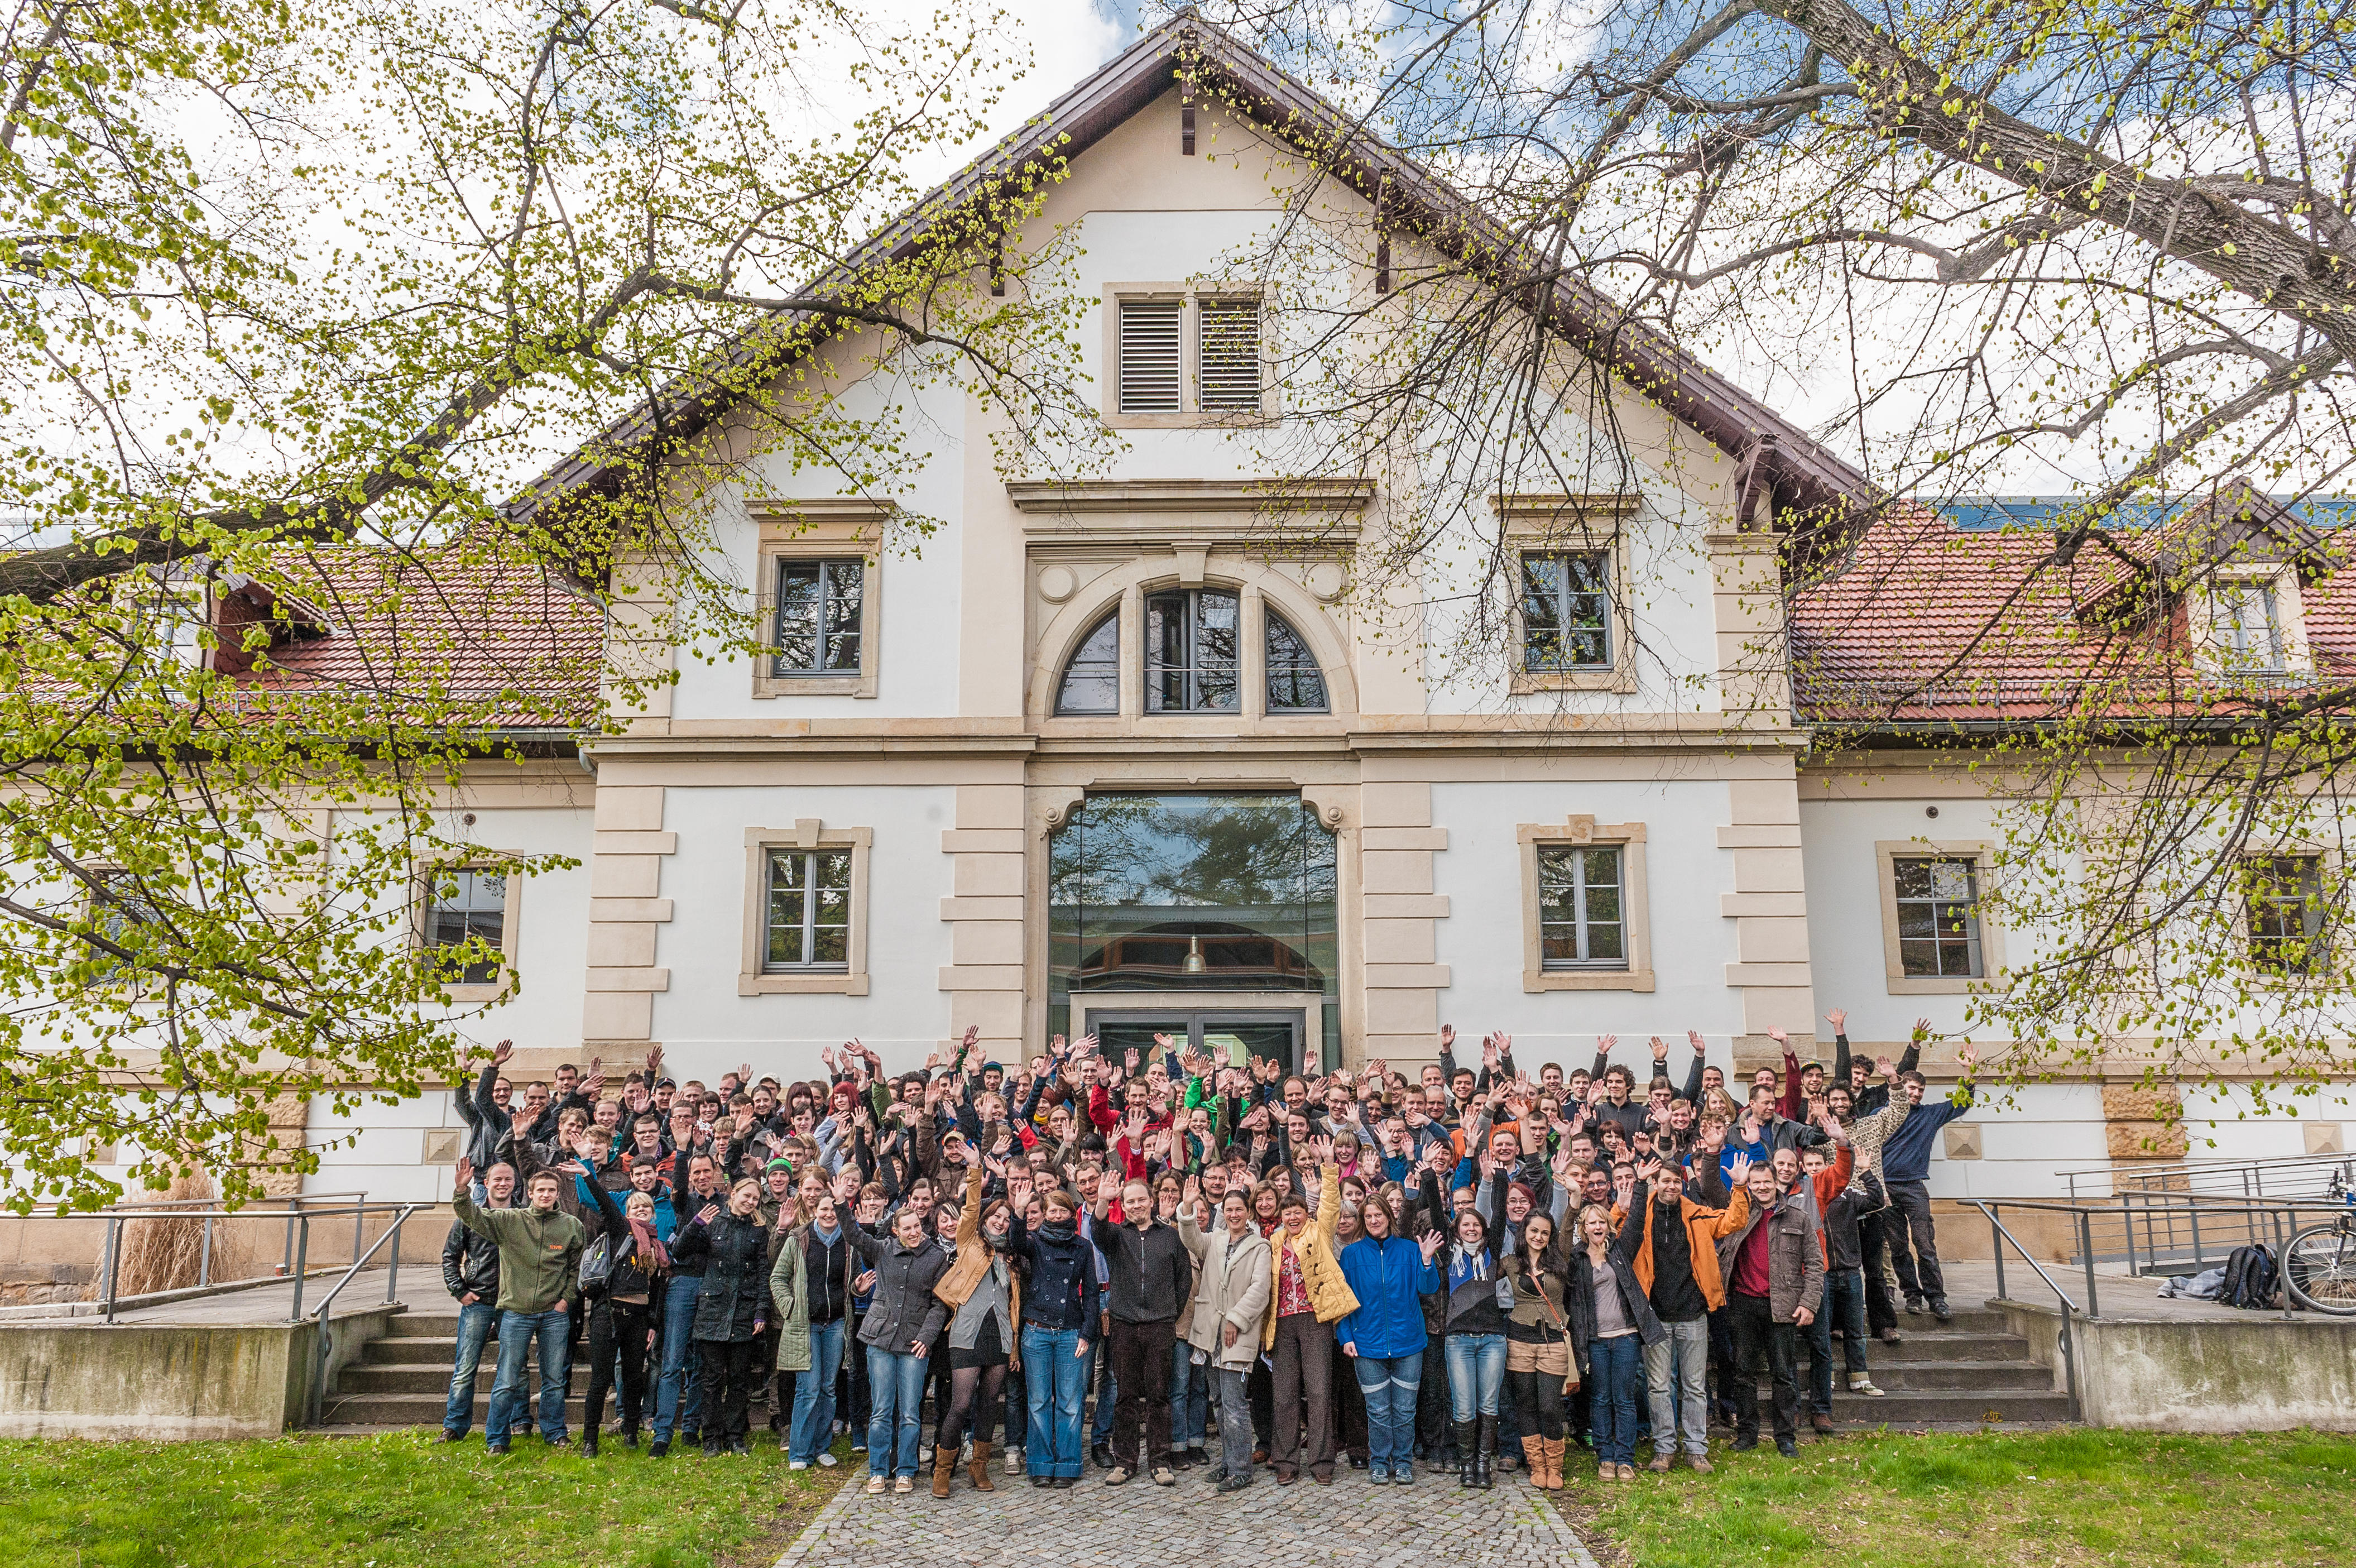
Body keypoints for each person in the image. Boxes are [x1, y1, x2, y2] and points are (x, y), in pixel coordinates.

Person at [1625, 1153, 1751, 1473]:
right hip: (1654, 1317)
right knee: (1658, 1386)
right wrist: (1629, 1196)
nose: (1671, 1186)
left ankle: (1696, 1449)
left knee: (1694, 1385)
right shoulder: (1640, 1214)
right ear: (1655, 1183)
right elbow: (1617, 1227)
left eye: (1675, 1181)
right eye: (1665, 1181)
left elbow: (1733, 1221)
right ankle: (1664, 1448)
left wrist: (1739, 1186)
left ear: (1682, 1184)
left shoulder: (1696, 1215)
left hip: (1693, 1315)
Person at [450, 1155, 583, 1454]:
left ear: (557, 1194)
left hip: (554, 1315)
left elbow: (576, 1268)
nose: (546, 1195)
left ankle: (555, 1432)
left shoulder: (571, 1226)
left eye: (551, 1190)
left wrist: (566, 1300)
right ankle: (497, 1439)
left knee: (554, 1379)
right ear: (531, 1194)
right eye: (540, 1191)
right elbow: (471, 1216)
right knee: (507, 1379)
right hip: (516, 1314)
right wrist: (462, 1191)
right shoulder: (511, 1222)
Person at [1087, 1172, 1193, 1487]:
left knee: (1160, 1395)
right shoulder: (1117, 1236)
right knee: (1126, 1395)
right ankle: (1125, 1461)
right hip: (1124, 1325)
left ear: (1152, 1201)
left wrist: (1168, 1311)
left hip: (1160, 1325)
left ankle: (1160, 1461)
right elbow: (1097, 1230)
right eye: (1130, 1201)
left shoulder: (1170, 1236)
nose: (1136, 1206)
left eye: (1141, 1200)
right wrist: (1103, 1199)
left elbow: (1183, 1278)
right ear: (1125, 1205)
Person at [1717, 1153, 1824, 1456]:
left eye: (1767, 1182)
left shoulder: (1798, 1218)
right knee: (1742, 1373)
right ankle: (1747, 1434)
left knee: (1784, 1374)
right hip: (1742, 1304)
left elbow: (1815, 1265)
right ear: (1749, 1185)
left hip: (1783, 1306)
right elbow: (1713, 1189)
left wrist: (1809, 1303)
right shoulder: (1739, 1214)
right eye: (1756, 1183)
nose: (1762, 1187)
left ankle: (1785, 1437)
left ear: (1777, 1183)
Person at [1335, 1186, 1442, 1484]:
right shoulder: (1352, 1255)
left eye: (1378, 1214)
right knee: (1378, 1410)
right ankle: (1380, 1461)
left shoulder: (1409, 1249)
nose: (1373, 1220)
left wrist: (1426, 1261)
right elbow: (1342, 1302)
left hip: (1408, 1342)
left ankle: (1404, 1462)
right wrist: (1346, 1337)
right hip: (1367, 1344)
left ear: (1388, 1216)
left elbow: (1428, 1288)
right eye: (1368, 1216)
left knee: (1405, 1410)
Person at [1263, 1156, 1359, 1485]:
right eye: (1287, 1212)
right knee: (1285, 1393)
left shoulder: (1319, 1232)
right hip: (1282, 1322)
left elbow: (1331, 1205)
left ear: (1306, 1214)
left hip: (1315, 1319)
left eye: (1298, 1211)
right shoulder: (1275, 1241)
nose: (1292, 1216)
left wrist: (1329, 1171)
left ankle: (1322, 1462)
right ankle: (1287, 1460)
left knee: (1319, 1392)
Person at [930, 1161, 1023, 1497]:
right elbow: (970, 1207)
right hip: (966, 1332)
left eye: (1006, 1219)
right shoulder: (969, 1242)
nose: (1001, 1222)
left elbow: (1014, 1306)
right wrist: (973, 1172)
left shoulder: (1010, 1258)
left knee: (988, 1404)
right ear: (985, 1221)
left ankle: (979, 1468)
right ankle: (943, 1470)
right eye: (996, 1217)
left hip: (998, 1334)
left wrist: (1013, 1347)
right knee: (960, 1404)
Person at [850, 1196, 951, 1493]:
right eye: (906, 1228)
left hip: (914, 1343)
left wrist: (927, 1336)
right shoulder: (882, 1251)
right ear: (895, 1230)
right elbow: (854, 1235)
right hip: (880, 1338)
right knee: (881, 1410)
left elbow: (940, 1303)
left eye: (917, 1226)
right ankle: (878, 1470)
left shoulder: (936, 1257)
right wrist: (843, 1205)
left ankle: (906, 1469)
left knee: (910, 1412)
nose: (913, 1232)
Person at [1177, 1186, 1273, 1493]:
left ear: (1248, 1213)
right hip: (1209, 1333)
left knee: (1234, 1405)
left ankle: (1242, 1468)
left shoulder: (1260, 1247)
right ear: (1223, 1213)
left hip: (1236, 1334)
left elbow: (1260, 1289)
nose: (1233, 1214)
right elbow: (1189, 1237)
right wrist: (1188, 1207)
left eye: (1239, 1210)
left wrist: (1236, 1318)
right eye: (1228, 1210)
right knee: (1218, 1402)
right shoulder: (1213, 1240)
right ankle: (1229, 1463)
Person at [671, 1175, 774, 1456]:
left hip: (744, 1309)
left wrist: (761, 1312)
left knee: (739, 1380)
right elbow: (679, 1252)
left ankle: (735, 1436)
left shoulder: (759, 1231)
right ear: (734, 1194)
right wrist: (695, 1225)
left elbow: (765, 1275)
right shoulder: (713, 1221)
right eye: (746, 1196)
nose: (750, 1202)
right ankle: (711, 1438)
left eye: (755, 1199)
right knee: (712, 1379)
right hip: (713, 1310)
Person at [1879, 1044, 1979, 1321]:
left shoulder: (1929, 1115)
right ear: (1901, 1089)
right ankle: (1912, 1295)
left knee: (1925, 1244)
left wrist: (1968, 1071)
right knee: (1898, 1247)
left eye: (1920, 1090)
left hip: (1914, 1187)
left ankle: (1937, 1298)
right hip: (1886, 1188)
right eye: (1911, 1088)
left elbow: (1962, 1103)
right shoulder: (1881, 1115)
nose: (1915, 1094)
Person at [1566, 1191, 1661, 1481]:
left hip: (1626, 1337)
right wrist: (1572, 1198)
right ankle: (1605, 1457)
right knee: (1600, 1399)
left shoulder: (1620, 1251)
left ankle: (1625, 1459)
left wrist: (1642, 1184)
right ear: (1583, 1229)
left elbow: (1635, 1223)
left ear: (1608, 1225)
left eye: (1602, 1222)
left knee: (1625, 1399)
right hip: (1595, 1340)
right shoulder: (1577, 1259)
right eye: (1591, 1223)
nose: (1597, 1227)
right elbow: (1561, 1243)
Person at [1013, 1188, 1100, 1488]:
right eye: (1053, 1211)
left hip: (1070, 1333)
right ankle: (1040, 1463)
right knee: (1038, 1401)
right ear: (1045, 1214)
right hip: (1036, 1330)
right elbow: (1014, 1242)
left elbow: (1090, 1294)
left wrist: (1088, 1333)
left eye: (1063, 1211)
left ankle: (1068, 1463)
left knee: (1070, 1403)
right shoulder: (1034, 1242)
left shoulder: (1083, 1247)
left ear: (1070, 1214)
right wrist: (1019, 1211)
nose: (1058, 1216)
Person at [578, 1173, 669, 1454]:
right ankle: (590, 1439)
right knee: (601, 1378)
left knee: (633, 1377)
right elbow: (605, 1203)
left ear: (653, 1214)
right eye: (636, 1207)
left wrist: (653, 1322)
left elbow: (656, 1290)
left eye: (646, 1207)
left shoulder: (656, 1246)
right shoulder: (620, 1230)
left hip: (639, 1317)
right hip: (610, 1312)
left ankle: (631, 1431)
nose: (642, 1211)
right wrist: (587, 1174)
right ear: (627, 1213)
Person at [769, 1191, 857, 1470]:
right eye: (824, 1209)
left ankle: (822, 1447)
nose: (830, 1214)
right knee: (808, 1389)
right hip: (806, 1324)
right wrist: (790, 1306)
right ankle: (799, 1451)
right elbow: (778, 1277)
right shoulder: (799, 1239)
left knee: (829, 1388)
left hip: (835, 1324)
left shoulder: (849, 1242)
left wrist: (858, 1289)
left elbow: (851, 1284)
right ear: (814, 1211)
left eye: (834, 1209)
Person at [1432, 1176, 1506, 1489]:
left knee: (1488, 1405)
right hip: (1458, 1339)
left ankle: (1483, 1464)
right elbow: (1438, 1215)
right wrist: (1427, 1179)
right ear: (1457, 1230)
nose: (1472, 1229)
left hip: (1493, 1339)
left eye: (1476, 1224)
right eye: (1466, 1225)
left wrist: (1499, 1178)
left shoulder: (1493, 1252)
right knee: (1463, 1405)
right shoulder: (1450, 1255)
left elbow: (1500, 1213)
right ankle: (1466, 1465)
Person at [439, 1158, 512, 1442]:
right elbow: (450, 1256)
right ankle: (454, 1425)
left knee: (514, 1369)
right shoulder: (470, 1217)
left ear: (515, 1184)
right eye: (497, 1180)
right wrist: (459, 1291)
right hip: (479, 1301)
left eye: (507, 1179)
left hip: (513, 1303)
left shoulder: (523, 1216)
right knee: (466, 1368)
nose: (503, 1184)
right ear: (487, 1183)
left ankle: (519, 1422)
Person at [1500, 1208, 1574, 1490]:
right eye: (1534, 1231)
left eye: (1545, 1232)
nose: (1539, 1236)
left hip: (1553, 1341)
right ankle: (1537, 1465)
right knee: (1526, 1405)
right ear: (1524, 1233)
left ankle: (1555, 1466)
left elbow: (1568, 1225)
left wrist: (1573, 1197)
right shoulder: (1510, 1263)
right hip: (1519, 1340)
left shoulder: (1560, 1259)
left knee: (1549, 1406)